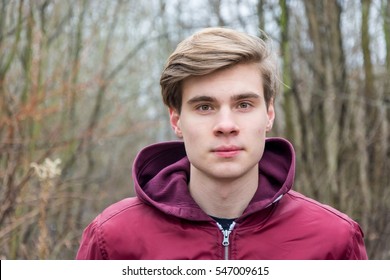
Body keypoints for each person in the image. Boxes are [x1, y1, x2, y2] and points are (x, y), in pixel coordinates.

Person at [76, 27, 367, 260]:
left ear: (268, 113)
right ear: (176, 120)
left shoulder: (334, 240)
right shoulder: (112, 239)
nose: (226, 125)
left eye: (243, 104)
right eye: (205, 107)